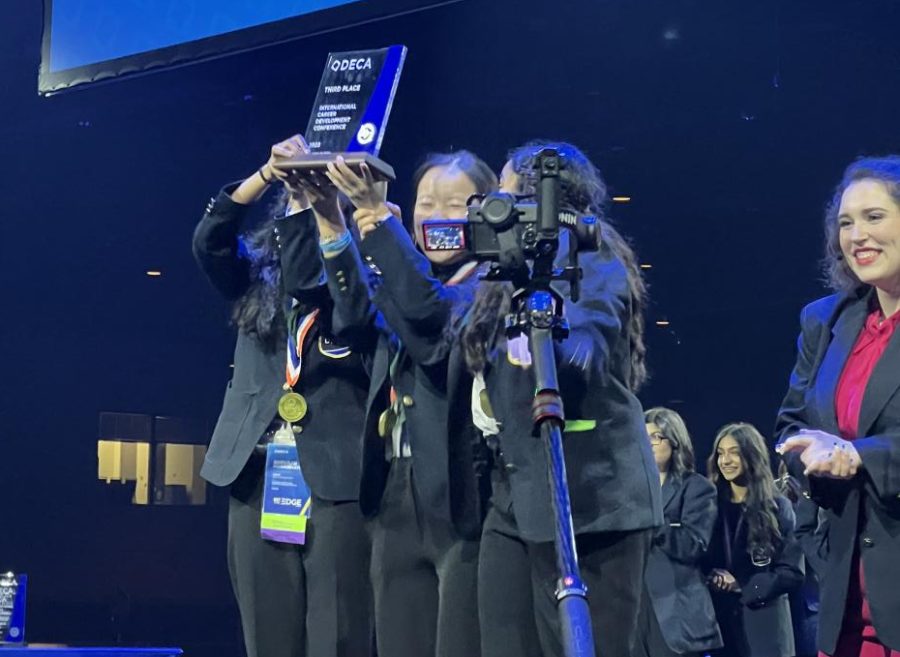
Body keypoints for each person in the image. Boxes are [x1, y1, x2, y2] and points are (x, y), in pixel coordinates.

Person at [303, 150, 497, 657]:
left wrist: (378, 223)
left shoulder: (492, 284)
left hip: (462, 493)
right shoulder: (403, 275)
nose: (435, 215)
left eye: (453, 204)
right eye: (425, 203)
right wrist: (332, 220)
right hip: (394, 490)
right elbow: (353, 316)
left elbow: (434, 323)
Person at [193, 136, 372, 657]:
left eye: (319, 194)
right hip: (256, 471)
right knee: (266, 636)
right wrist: (268, 174)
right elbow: (209, 241)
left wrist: (322, 215)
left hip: (337, 478)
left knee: (337, 636)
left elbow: (313, 278)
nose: (307, 203)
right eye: (297, 198)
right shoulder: (252, 280)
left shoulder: (362, 281)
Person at [775, 156, 900, 657]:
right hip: (844, 585)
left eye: (874, 217)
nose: (856, 236)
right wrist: (810, 455)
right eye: (846, 223)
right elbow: (791, 424)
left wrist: (857, 456)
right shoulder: (825, 321)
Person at [705, 423, 803, 657]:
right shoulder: (710, 507)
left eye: (734, 452)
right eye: (720, 453)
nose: (725, 460)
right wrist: (710, 576)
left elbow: (792, 572)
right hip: (722, 627)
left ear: (752, 456)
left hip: (766, 626)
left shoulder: (778, 507)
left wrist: (742, 585)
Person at [633, 407, 722, 657]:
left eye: (655, 437)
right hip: (636, 611)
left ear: (674, 441)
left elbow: (693, 543)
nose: (648, 444)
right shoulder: (631, 490)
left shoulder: (696, 488)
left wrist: (653, 523)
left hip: (676, 615)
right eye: (643, 437)